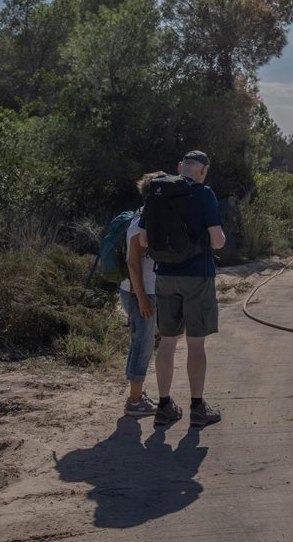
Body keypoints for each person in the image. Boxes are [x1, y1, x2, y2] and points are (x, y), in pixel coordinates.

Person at [140, 150, 227, 428]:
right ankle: (198, 408)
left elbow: (143, 240)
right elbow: (217, 242)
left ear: (180, 167)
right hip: (197, 277)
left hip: (164, 276)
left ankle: (164, 406)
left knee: (167, 342)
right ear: (204, 170)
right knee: (196, 344)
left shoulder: (157, 192)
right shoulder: (205, 194)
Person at [120, 170, 167, 417]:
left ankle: (137, 395)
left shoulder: (148, 218)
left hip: (144, 292)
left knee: (143, 342)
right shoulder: (139, 223)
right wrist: (143, 299)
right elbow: (133, 263)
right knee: (142, 344)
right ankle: (135, 401)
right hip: (140, 293)